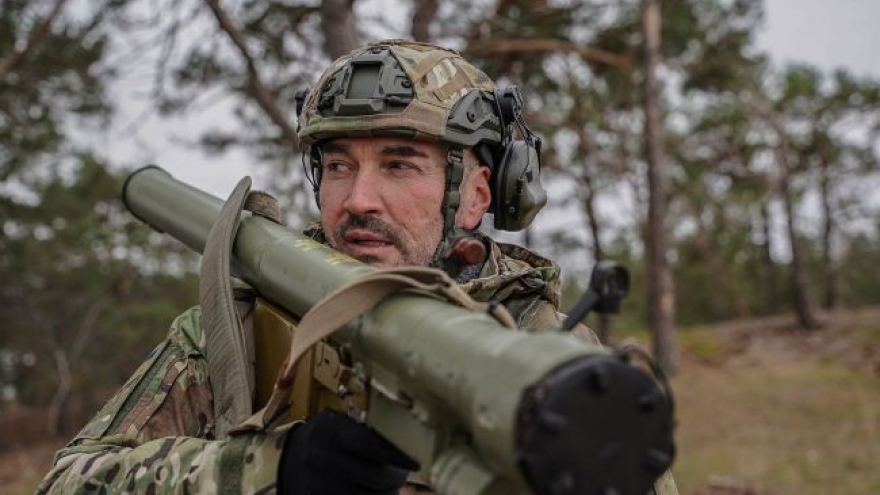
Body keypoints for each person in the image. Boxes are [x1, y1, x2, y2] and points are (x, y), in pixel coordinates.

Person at [36, 40, 676, 495]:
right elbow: (69, 481)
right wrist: (268, 472)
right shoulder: (234, 332)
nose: (358, 199)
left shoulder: (552, 362)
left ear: (478, 194)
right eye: (339, 166)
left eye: (398, 164)